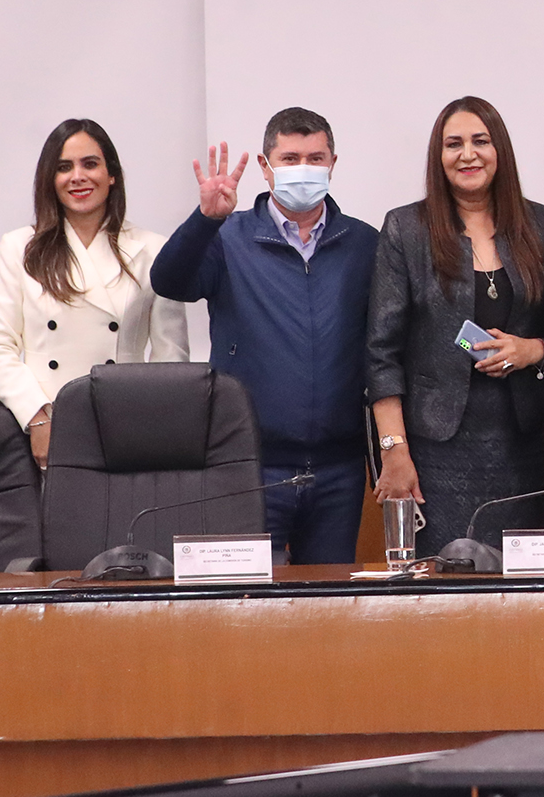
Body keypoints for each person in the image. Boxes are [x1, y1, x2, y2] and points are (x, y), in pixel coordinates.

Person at [153, 108, 378, 563]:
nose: (304, 169)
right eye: (290, 159)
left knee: (329, 599)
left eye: (315, 159)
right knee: (249, 597)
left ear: (333, 164)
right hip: (250, 465)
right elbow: (169, 282)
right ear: (265, 165)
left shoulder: (364, 243)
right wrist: (205, 220)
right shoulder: (228, 237)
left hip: (339, 469)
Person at [366, 97, 544, 557]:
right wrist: (393, 449)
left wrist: (533, 349)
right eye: (453, 144)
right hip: (435, 449)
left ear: (500, 151)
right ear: (439, 156)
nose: (468, 154)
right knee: (446, 577)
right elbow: (381, 353)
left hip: (520, 445)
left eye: (481, 141)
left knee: (523, 578)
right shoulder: (406, 229)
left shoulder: (538, 223)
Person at [0, 118, 188, 467]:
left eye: (90, 164)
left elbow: (171, 361)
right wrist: (37, 418)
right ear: (50, 179)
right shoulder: (19, 247)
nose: (77, 176)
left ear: (112, 175)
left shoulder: (154, 250)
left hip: (127, 431)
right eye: (64, 167)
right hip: (45, 432)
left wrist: (149, 428)